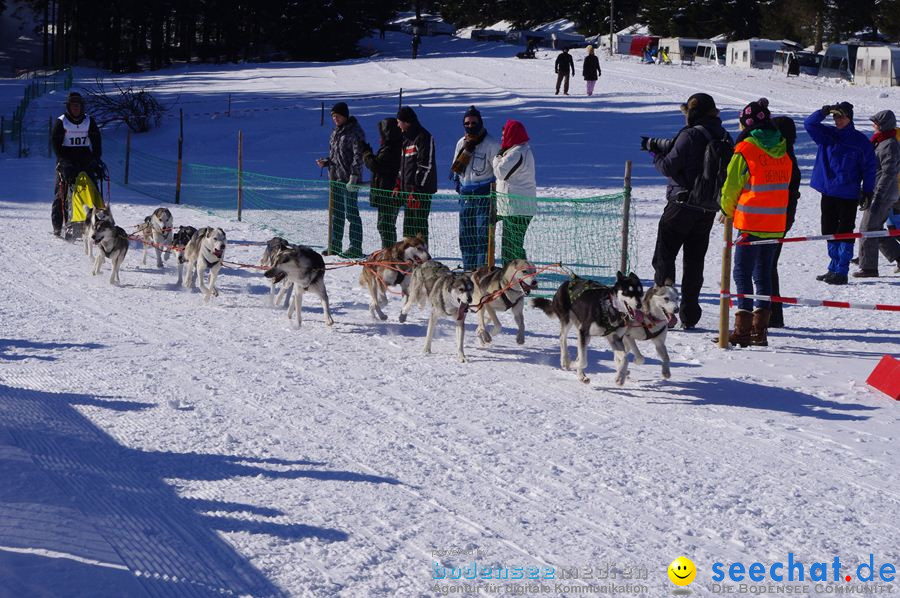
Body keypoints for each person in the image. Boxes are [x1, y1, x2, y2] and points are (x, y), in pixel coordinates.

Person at [647, 92, 732, 329]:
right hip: (708, 208)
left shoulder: (691, 134)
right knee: (695, 262)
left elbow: (668, 166)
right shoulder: (725, 136)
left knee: (664, 257)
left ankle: (663, 310)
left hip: (681, 205)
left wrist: (655, 153)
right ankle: (690, 314)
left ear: (692, 113)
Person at [720, 99, 792, 347]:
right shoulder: (782, 147)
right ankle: (759, 331)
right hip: (775, 222)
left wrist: (726, 210)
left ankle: (742, 330)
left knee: (741, 273)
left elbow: (731, 186)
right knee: (763, 276)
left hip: (751, 221)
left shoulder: (747, 148)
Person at [804, 102, 877, 284]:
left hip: (848, 195)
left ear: (849, 118)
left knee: (844, 231)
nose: (837, 120)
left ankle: (842, 270)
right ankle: (833, 267)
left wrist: (867, 191)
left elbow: (869, 168)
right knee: (828, 231)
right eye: (835, 116)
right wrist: (823, 111)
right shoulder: (826, 135)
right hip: (828, 191)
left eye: (841, 116)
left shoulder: (860, 142)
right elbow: (809, 124)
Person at [450, 106, 500, 270]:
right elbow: (455, 166)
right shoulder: (461, 143)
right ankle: (468, 269)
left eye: (473, 122)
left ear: (480, 122)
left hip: (483, 196)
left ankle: (481, 271)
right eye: (467, 123)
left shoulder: (491, 144)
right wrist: (458, 182)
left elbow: (499, 172)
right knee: (466, 234)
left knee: (482, 234)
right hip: (465, 195)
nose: (470, 126)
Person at [316, 102, 366, 258]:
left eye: (337, 115)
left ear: (345, 115)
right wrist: (326, 162)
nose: (335, 119)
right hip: (335, 178)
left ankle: (355, 247)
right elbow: (335, 155)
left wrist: (354, 176)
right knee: (336, 214)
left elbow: (359, 156)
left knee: (351, 213)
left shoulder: (355, 132)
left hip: (349, 180)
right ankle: (335, 245)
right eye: (332, 116)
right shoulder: (335, 132)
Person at [854, 110, 900, 277]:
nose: (873, 126)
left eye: (875, 123)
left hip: (883, 193)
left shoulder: (889, 144)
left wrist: (878, 194)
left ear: (883, 125)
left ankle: (868, 268)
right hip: (877, 192)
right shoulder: (880, 142)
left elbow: (888, 173)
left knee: (867, 228)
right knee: (874, 229)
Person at [51, 91, 102, 237]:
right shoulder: (61, 121)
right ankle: (58, 225)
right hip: (66, 159)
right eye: (73, 106)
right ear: (68, 107)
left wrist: (96, 159)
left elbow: (97, 142)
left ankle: (98, 223)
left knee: (93, 190)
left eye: (78, 106)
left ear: (82, 107)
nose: (75, 108)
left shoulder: (89, 121)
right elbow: (56, 144)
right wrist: (62, 161)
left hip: (85, 159)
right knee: (62, 192)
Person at [492, 119, 536, 264]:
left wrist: (497, 157)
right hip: (514, 207)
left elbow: (500, 173)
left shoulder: (517, 152)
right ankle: (516, 272)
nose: (502, 138)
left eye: (505, 135)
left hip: (517, 208)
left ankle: (517, 273)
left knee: (512, 246)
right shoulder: (517, 151)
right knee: (511, 245)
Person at [396, 106, 437, 242]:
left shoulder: (423, 137)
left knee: (418, 227)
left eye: (399, 121)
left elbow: (425, 166)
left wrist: (416, 189)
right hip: (408, 192)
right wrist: (398, 184)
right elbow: (403, 166)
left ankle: (421, 258)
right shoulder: (406, 139)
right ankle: (409, 259)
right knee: (408, 228)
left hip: (420, 192)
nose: (397, 124)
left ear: (406, 122)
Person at [363, 117, 403, 248]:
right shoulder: (390, 146)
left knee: (385, 225)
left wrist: (366, 154)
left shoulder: (392, 148)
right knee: (385, 225)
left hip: (389, 193)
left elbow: (376, 165)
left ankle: (389, 253)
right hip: (386, 192)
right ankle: (388, 251)